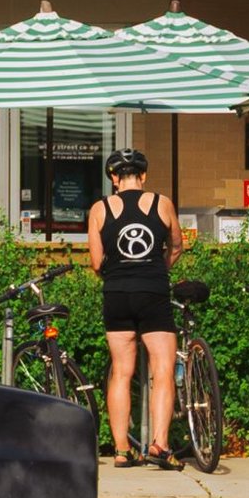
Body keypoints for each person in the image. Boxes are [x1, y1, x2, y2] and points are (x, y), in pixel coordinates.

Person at [89, 147, 182, 469]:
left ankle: (121, 450)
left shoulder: (99, 209)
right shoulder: (162, 203)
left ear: (114, 178)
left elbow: (96, 262)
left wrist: (118, 275)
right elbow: (176, 246)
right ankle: (160, 444)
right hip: (153, 291)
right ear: (143, 176)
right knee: (162, 369)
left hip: (116, 293)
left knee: (121, 372)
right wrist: (157, 270)